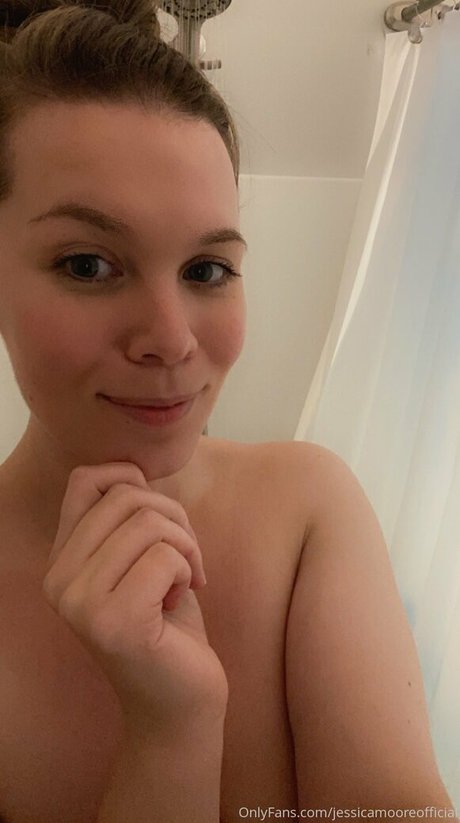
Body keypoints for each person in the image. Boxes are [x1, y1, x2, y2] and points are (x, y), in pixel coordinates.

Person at [0, 2, 457, 822]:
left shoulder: (309, 508)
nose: (172, 339)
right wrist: (170, 734)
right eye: (88, 263)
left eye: (207, 269)